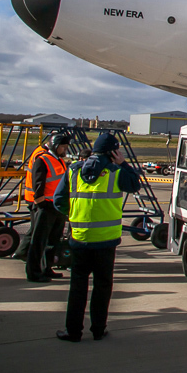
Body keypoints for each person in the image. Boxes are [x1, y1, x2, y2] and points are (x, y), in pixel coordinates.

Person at [53, 132, 141, 342]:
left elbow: (58, 200)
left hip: (80, 237)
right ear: (113, 152)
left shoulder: (73, 170)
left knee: (78, 287)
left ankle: (73, 331)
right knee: (102, 286)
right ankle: (98, 329)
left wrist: (74, 216)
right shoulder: (115, 172)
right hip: (106, 240)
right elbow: (136, 184)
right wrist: (124, 163)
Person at [14, 132, 71, 282]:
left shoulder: (58, 160)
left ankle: (47, 267)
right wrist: (41, 204)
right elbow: (37, 185)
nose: (65, 150)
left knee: (53, 240)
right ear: (56, 146)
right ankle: (34, 272)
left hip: (57, 206)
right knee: (39, 241)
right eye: (63, 147)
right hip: (46, 206)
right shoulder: (43, 160)